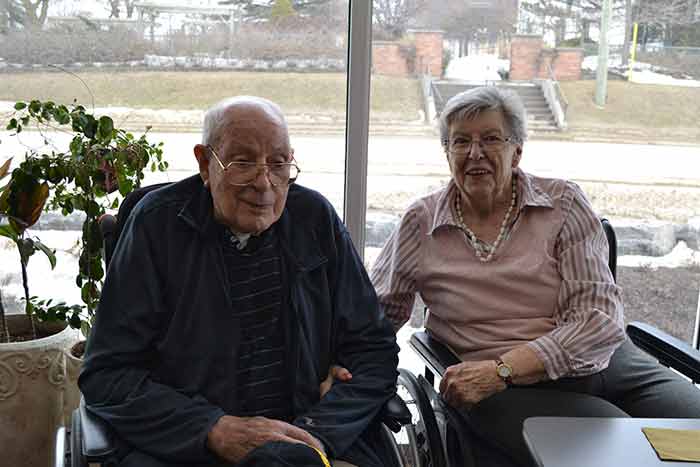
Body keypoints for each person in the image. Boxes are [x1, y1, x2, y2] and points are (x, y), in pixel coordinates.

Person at [370, 86, 700, 466]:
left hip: (608, 364)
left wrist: (505, 368)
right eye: (460, 141)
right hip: (505, 390)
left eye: (491, 138)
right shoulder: (421, 222)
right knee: (627, 456)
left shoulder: (564, 205)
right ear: (447, 153)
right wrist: (344, 371)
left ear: (517, 151)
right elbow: (377, 314)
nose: (475, 153)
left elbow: (598, 319)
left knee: (691, 431)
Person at [79, 96, 400, 467]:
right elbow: (108, 375)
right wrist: (213, 429)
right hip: (190, 447)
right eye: (243, 163)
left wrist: (314, 434)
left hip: (313, 439)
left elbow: (373, 349)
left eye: (278, 164)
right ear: (205, 163)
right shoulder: (157, 227)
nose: (264, 183)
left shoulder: (314, 219)